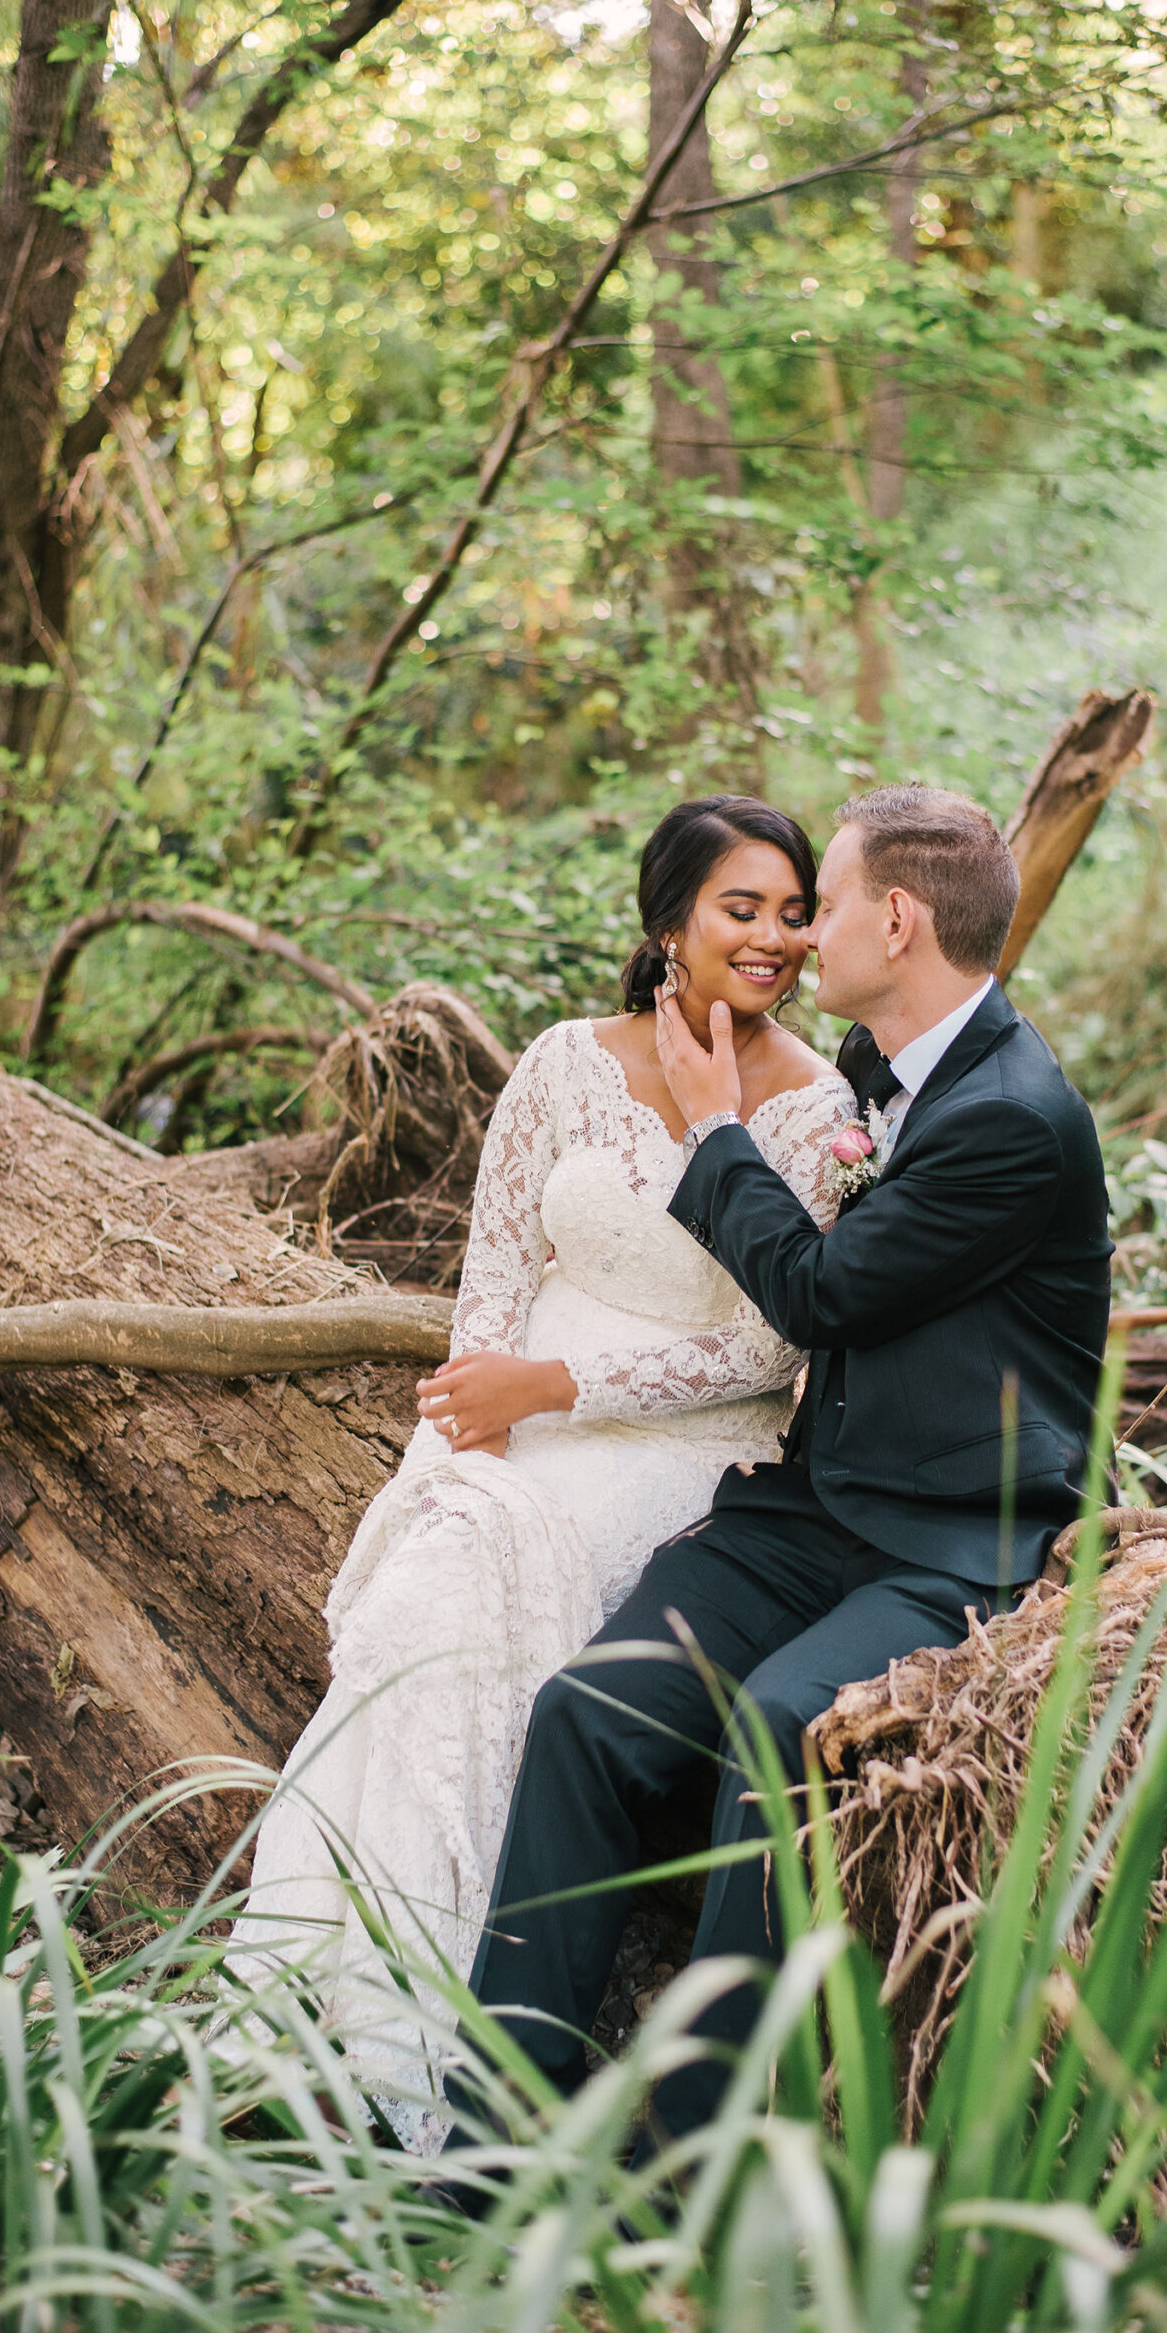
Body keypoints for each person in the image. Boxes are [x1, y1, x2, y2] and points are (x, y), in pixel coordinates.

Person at [459, 785, 1113, 2147]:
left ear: (898, 917)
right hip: (813, 1505)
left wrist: (713, 1133)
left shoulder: (1012, 1111)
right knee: (592, 1709)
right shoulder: (879, 1076)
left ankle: (682, 2153)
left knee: (776, 1722)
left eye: (826, 907)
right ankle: (488, 2133)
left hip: (951, 1537)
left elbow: (818, 1296)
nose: (803, 939)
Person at [228, 795, 852, 2150]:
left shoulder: (815, 1106)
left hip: (684, 1446)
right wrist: (481, 1421)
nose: (775, 938)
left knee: (489, 1598)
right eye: (741, 909)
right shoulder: (565, 1065)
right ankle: (311, 2015)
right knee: (426, 1596)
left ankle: (434, 2060)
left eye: (794, 912)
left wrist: (560, 1388)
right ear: (670, 924)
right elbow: (494, 1278)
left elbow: (770, 1345)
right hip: (514, 1418)